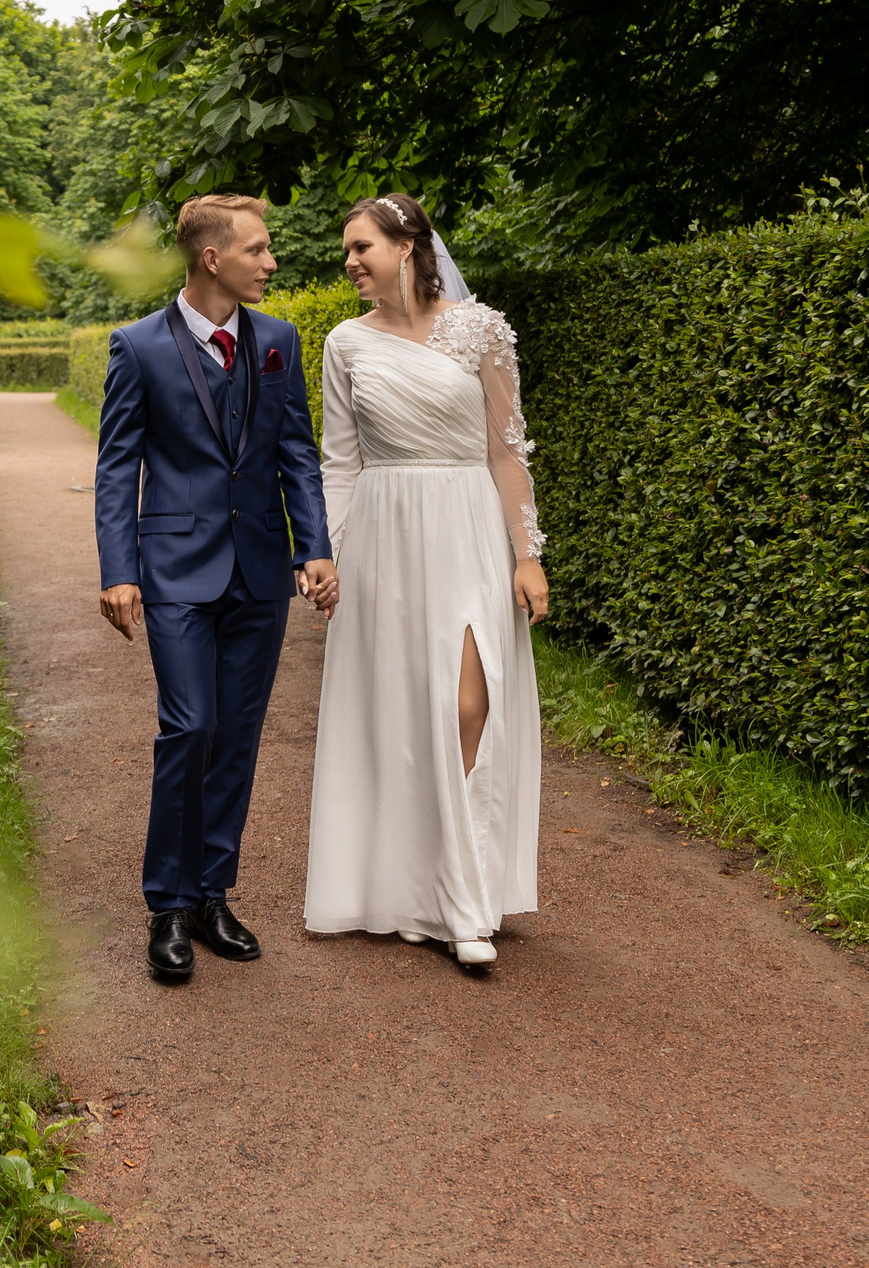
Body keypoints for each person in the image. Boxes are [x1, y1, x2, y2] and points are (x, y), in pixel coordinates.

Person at [95, 195, 339, 983]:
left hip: (261, 570)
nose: (271, 262)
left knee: (236, 736)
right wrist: (119, 569)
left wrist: (315, 548)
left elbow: (297, 453)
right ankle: (167, 903)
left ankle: (210, 893)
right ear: (212, 259)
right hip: (173, 570)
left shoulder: (278, 339)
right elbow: (115, 468)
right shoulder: (137, 347)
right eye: (260, 249)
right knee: (189, 726)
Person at [303, 193, 548, 967]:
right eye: (345, 249)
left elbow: (507, 452)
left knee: (471, 701)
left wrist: (527, 552)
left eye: (360, 246)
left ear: (408, 246)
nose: (349, 261)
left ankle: (467, 896)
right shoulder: (344, 343)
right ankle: (423, 896)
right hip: (384, 534)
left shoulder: (482, 329)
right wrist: (331, 553)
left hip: (468, 524)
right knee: (402, 716)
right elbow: (338, 460)